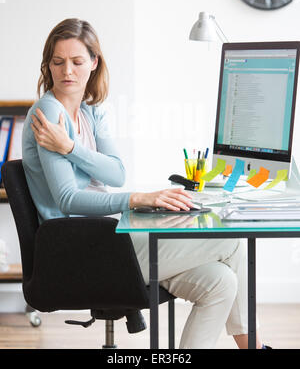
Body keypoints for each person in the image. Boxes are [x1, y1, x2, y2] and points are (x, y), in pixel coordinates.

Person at [22, 18, 268, 349]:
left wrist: (71, 148)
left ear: (94, 63)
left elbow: (116, 173)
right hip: (79, 249)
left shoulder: (90, 112)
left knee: (220, 282)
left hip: (106, 237)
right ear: (47, 65)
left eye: (77, 62)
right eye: (58, 62)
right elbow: (68, 199)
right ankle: (253, 348)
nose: (67, 70)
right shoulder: (49, 113)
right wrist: (138, 199)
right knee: (233, 243)